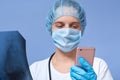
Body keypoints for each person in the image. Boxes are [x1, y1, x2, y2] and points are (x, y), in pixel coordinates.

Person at [30, 0, 113, 80]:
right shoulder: (35, 70)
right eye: (60, 26)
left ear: (81, 29)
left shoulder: (98, 66)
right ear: (50, 28)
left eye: (74, 26)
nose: (67, 32)